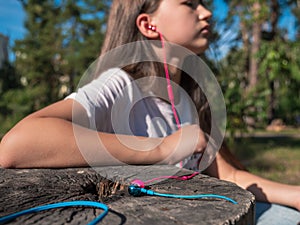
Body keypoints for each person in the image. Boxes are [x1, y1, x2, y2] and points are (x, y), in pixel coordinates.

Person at [0, 0, 299, 224]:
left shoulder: (191, 101)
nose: (206, 12)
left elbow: (231, 174)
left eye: (204, 4)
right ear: (148, 24)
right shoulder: (120, 86)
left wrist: (295, 194)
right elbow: (17, 145)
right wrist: (162, 147)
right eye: (189, 3)